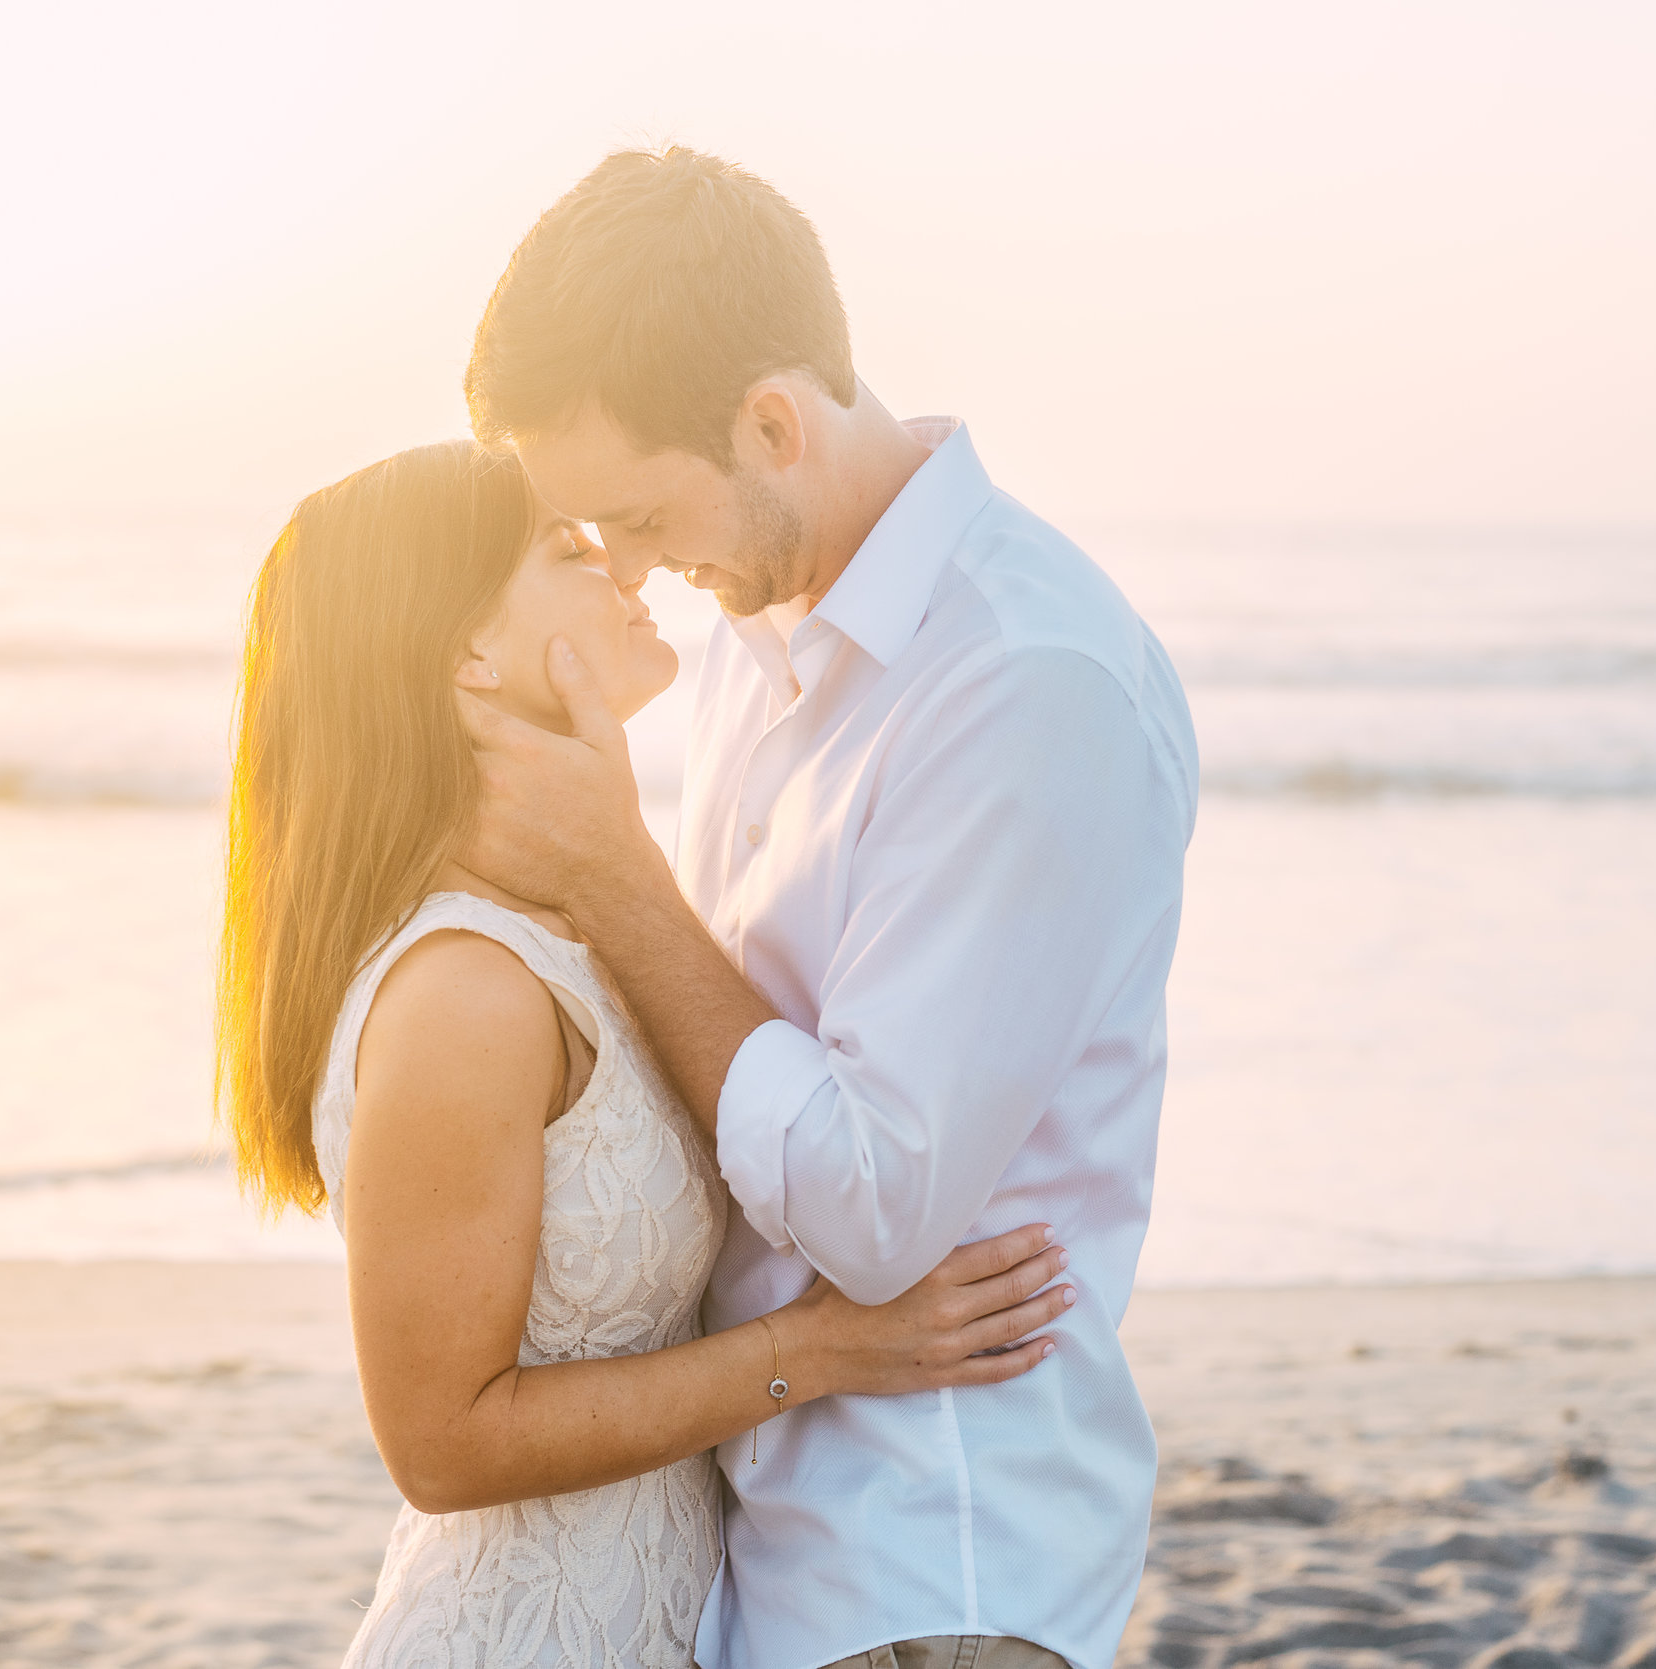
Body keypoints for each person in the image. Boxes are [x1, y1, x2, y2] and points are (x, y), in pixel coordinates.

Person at [457, 148, 1201, 1669]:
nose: (636, 575)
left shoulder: (1019, 681)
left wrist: (613, 874)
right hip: (767, 1540)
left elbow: (872, 1202)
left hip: (932, 1562)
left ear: (774, 423)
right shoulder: (758, 626)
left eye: (643, 518)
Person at [216, 439, 1075, 1667]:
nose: (628, 569)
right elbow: (441, 1441)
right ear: (467, 653)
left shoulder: (578, 924)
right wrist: (821, 1350)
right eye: (570, 550)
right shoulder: (466, 989)